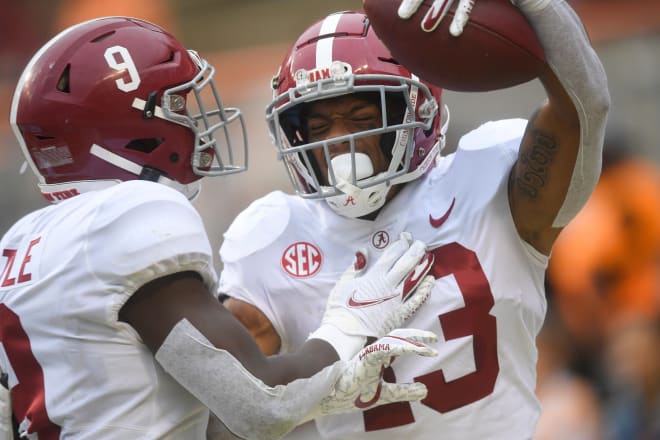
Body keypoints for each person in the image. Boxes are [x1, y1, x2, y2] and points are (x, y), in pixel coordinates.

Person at [0, 16, 440, 440]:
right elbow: (261, 404)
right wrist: (349, 323)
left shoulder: (19, 245)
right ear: (127, 128)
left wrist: (319, 398)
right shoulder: (129, 212)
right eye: (176, 105)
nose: (195, 124)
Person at [218, 1, 610, 438]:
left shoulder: (487, 178)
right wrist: (336, 342)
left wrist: (538, 5)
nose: (337, 142)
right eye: (318, 126)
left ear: (416, 114)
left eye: (361, 117)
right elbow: (223, 416)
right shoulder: (273, 235)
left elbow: (583, 105)